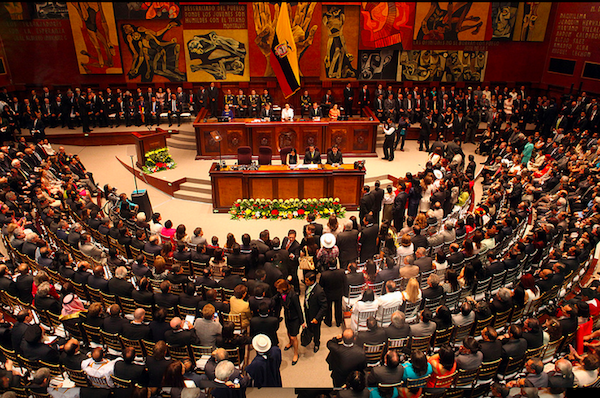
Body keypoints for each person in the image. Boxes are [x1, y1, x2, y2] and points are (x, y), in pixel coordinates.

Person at [275, 279, 303, 366]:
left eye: (278, 288)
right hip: (287, 316)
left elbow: (299, 308)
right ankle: (290, 343)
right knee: (288, 332)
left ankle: (295, 353)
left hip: (295, 318)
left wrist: (302, 321)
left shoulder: (293, 295)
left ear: (283, 288)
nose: (277, 290)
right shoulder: (280, 294)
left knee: (294, 337)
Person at [303, 271, 327, 352]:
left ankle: (316, 343)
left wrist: (317, 318)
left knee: (316, 331)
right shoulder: (308, 287)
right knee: (309, 327)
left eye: (307, 280)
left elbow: (324, 306)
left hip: (315, 315)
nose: (305, 282)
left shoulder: (319, 291)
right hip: (308, 312)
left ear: (312, 281)